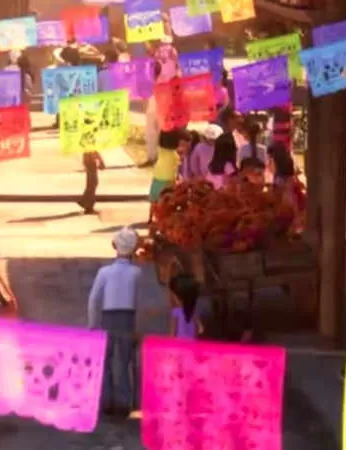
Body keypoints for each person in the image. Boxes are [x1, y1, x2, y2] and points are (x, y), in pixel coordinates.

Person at [87, 227, 143, 417]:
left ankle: (106, 400)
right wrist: (138, 327)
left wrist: (93, 324)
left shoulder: (104, 272)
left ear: (114, 246)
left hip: (107, 318)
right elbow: (139, 301)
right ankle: (124, 402)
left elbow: (93, 299)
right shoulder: (136, 273)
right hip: (128, 318)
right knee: (125, 361)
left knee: (106, 360)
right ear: (134, 249)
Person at [148, 128, 192, 222]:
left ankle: (150, 218)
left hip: (157, 177)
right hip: (169, 179)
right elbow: (178, 165)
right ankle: (163, 217)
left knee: (154, 199)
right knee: (166, 200)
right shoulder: (175, 154)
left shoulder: (160, 150)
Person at [168, 273, 203, 340]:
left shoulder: (175, 312)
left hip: (180, 343)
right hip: (192, 342)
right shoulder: (193, 310)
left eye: (174, 296)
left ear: (179, 298)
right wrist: (200, 327)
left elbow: (172, 333)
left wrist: (170, 342)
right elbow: (200, 327)